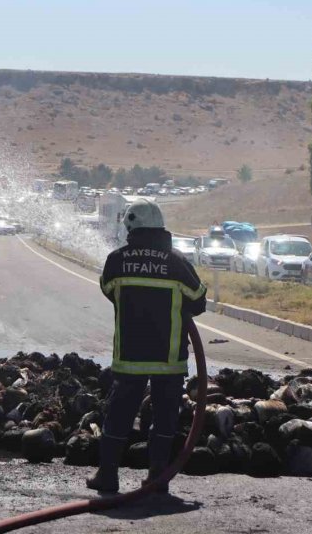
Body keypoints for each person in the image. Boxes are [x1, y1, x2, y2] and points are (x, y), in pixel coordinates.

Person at [87, 199, 206, 493]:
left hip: (130, 356)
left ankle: (108, 476)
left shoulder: (117, 260)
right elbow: (199, 302)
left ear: (130, 226)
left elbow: (109, 290)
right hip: (169, 358)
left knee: (119, 415)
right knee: (165, 419)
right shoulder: (177, 262)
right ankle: (157, 479)